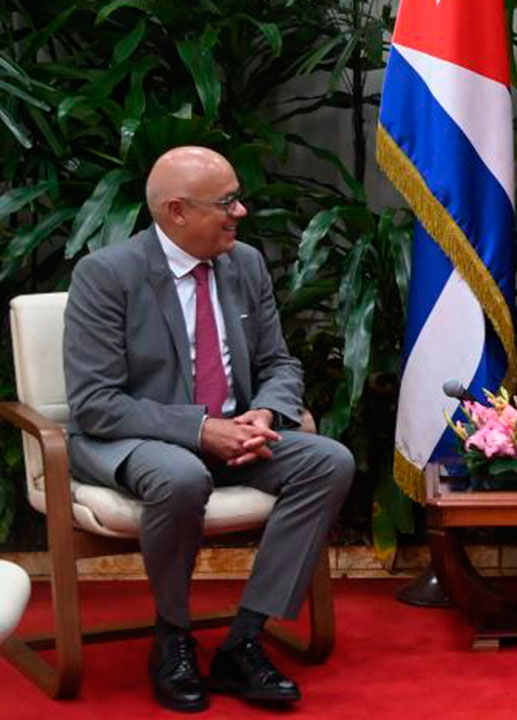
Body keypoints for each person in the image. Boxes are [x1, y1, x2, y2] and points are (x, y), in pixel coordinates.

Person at [64, 146, 355, 711]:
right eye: (226, 203)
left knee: (329, 460)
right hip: (135, 441)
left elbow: (279, 363)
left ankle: (244, 640)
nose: (240, 212)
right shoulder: (107, 276)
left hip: (234, 433)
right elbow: (96, 404)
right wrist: (201, 430)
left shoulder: (243, 264)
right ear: (176, 211)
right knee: (180, 475)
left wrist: (265, 413)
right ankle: (172, 638)